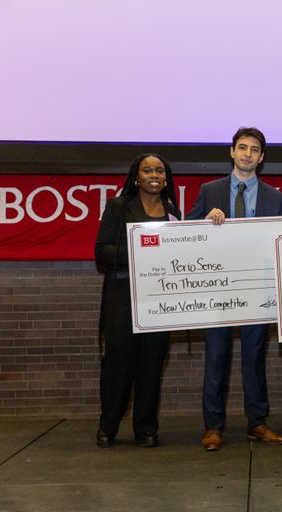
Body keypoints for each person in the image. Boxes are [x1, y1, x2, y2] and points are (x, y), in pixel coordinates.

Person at [187, 127, 282, 450]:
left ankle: (257, 423)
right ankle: (213, 427)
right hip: (218, 288)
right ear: (232, 152)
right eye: (242, 147)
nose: (247, 153)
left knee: (254, 357)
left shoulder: (277, 198)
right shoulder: (209, 191)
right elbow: (186, 236)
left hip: (258, 291)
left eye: (254, 149)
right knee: (216, 357)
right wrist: (205, 222)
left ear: (261, 157)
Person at [94, 153, 181, 448]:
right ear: (136, 177)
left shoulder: (173, 212)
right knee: (118, 365)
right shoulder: (119, 206)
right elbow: (102, 251)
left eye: (159, 170)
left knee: (151, 365)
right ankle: (108, 426)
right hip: (122, 300)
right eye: (147, 170)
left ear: (166, 178)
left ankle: (146, 428)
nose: (154, 175)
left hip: (158, 302)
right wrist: (139, 253)